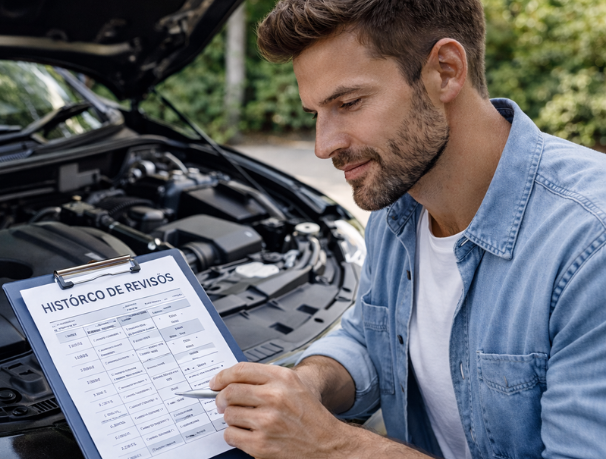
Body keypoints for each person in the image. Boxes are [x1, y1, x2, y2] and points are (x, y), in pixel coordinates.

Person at [208, 1, 606, 458]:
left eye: (348, 103)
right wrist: (305, 383)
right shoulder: (399, 206)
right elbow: (366, 339)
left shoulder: (590, 245)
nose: (323, 145)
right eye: (315, 113)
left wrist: (332, 446)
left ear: (445, 71)